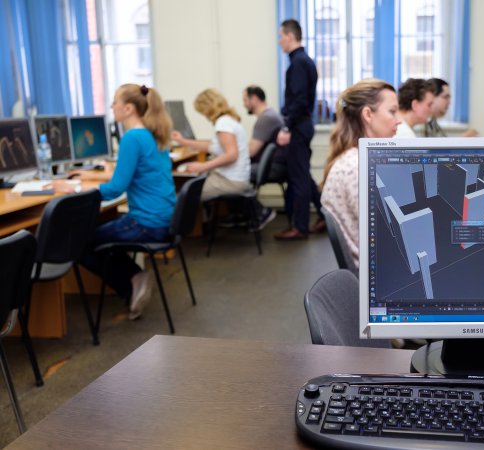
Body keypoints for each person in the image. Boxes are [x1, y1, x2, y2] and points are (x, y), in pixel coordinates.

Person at [57, 84, 176, 320]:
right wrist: (92, 176)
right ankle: (134, 279)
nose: (112, 106)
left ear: (128, 108)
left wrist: (74, 188)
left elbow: (115, 189)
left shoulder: (132, 137)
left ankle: (132, 281)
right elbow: (137, 173)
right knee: (94, 236)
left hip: (146, 224)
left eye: (114, 102)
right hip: (164, 220)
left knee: (79, 243)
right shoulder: (151, 134)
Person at [321, 79, 400, 267]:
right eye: (392, 111)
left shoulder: (356, 159)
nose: (399, 120)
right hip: (377, 272)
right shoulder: (358, 169)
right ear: (368, 114)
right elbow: (391, 237)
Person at [172, 89, 275, 229]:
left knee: (185, 194)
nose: (203, 115)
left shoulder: (223, 123)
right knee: (192, 185)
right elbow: (212, 146)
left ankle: (175, 232)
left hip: (230, 181)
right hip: (235, 178)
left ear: (208, 108)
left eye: (202, 111)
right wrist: (184, 141)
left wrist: (203, 166)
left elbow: (231, 155)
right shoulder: (228, 120)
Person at [275, 19, 325, 240]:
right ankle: (324, 215)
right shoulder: (304, 61)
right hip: (303, 124)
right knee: (303, 174)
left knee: (298, 178)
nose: (279, 42)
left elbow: (299, 100)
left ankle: (300, 227)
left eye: (281, 36)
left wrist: (287, 126)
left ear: (290, 36)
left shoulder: (298, 63)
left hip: (298, 125)